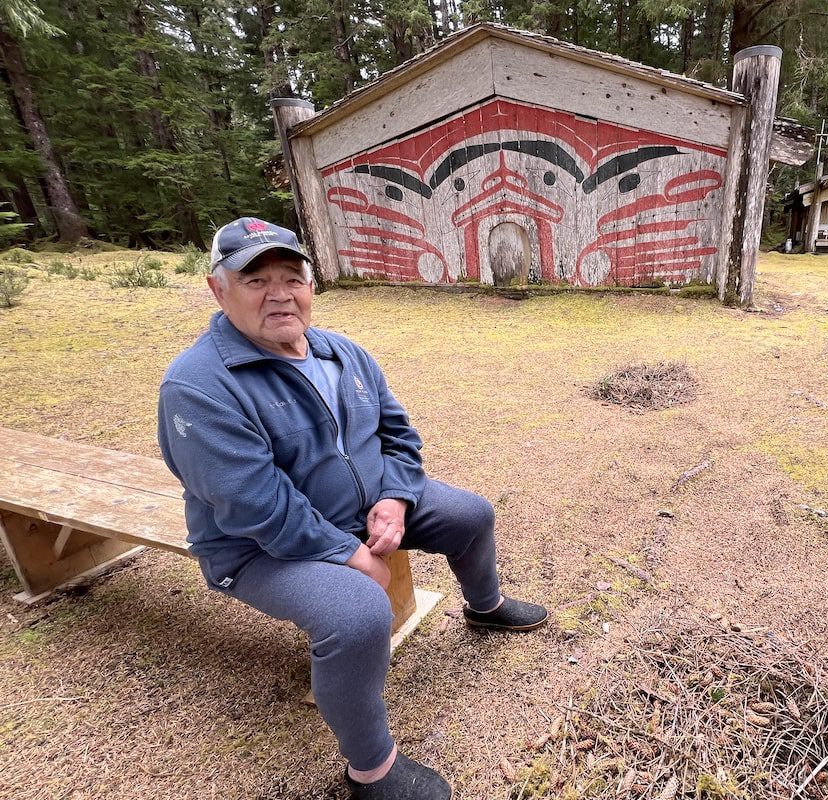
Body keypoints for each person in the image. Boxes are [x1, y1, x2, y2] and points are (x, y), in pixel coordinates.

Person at [157, 218, 548, 800]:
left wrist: (394, 497)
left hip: (364, 508)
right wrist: (347, 554)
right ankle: (372, 771)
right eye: (255, 279)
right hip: (257, 547)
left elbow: (397, 434)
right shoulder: (199, 387)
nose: (280, 293)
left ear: (311, 286)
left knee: (470, 514)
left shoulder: (343, 353)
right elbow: (253, 505)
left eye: (292, 277)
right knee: (358, 613)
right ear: (218, 290)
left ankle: (485, 607)